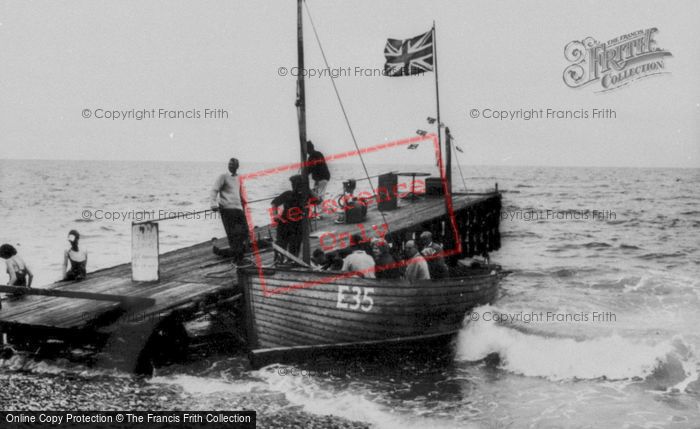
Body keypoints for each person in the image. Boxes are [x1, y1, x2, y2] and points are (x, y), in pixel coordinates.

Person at [210, 158, 248, 264]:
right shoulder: (223, 177)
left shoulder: (239, 178)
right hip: (227, 209)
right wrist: (213, 204)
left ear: (237, 166)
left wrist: (244, 203)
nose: (230, 166)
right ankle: (238, 258)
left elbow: (239, 192)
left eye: (233, 165)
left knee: (244, 232)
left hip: (238, 209)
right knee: (233, 234)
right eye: (229, 164)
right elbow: (214, 190)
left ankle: (238, 255)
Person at [270, 175, 307, 259]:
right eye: (294, 184)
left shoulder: (305, 196)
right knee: (281, 246)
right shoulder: (288, 194)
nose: (295, 186)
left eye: (298, 184)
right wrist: (275, 214)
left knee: (295, 247)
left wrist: (308, 190)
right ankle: (279, 260)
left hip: (298, 225)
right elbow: (274, 203)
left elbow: (318, 200)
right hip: (285, 223)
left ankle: (292, 261)